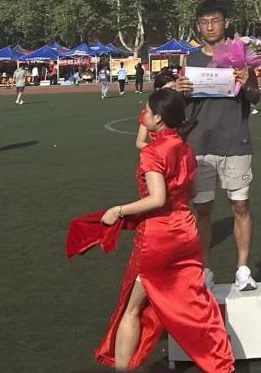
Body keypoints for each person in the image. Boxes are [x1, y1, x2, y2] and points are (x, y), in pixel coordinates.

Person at [94, 89, 234, 371]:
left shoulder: (153, 151)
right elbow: (190, 192)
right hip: (187, 234)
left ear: (158, 118)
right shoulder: (185, 148)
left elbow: (157, 199)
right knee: (195, 306)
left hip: (159, 239)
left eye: (146, 111)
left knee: (131, 309)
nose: (143, 115)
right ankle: (220, 362)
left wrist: (118, 210)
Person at [174, 0, 261, 291]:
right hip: (199, 145)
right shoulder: (190, 60)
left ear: (226, 23)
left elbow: (255, 96)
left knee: (240, 205)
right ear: (198, 26)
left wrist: (248, 82)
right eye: (204, 22)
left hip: (235, 141)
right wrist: (179, 91)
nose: (210, 27)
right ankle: (206, 269)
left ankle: (243, 269)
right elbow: (179, 107)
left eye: (215, 21)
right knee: (203, 211)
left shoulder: (241, 56)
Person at [135, 69, 178, 150]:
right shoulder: (149, 111)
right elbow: (139, 142)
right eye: (169, 88)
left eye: (174, 87)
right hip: (160, 153)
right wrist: (159, 150)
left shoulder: (180, 106)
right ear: (158, 90)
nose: (173, 90)